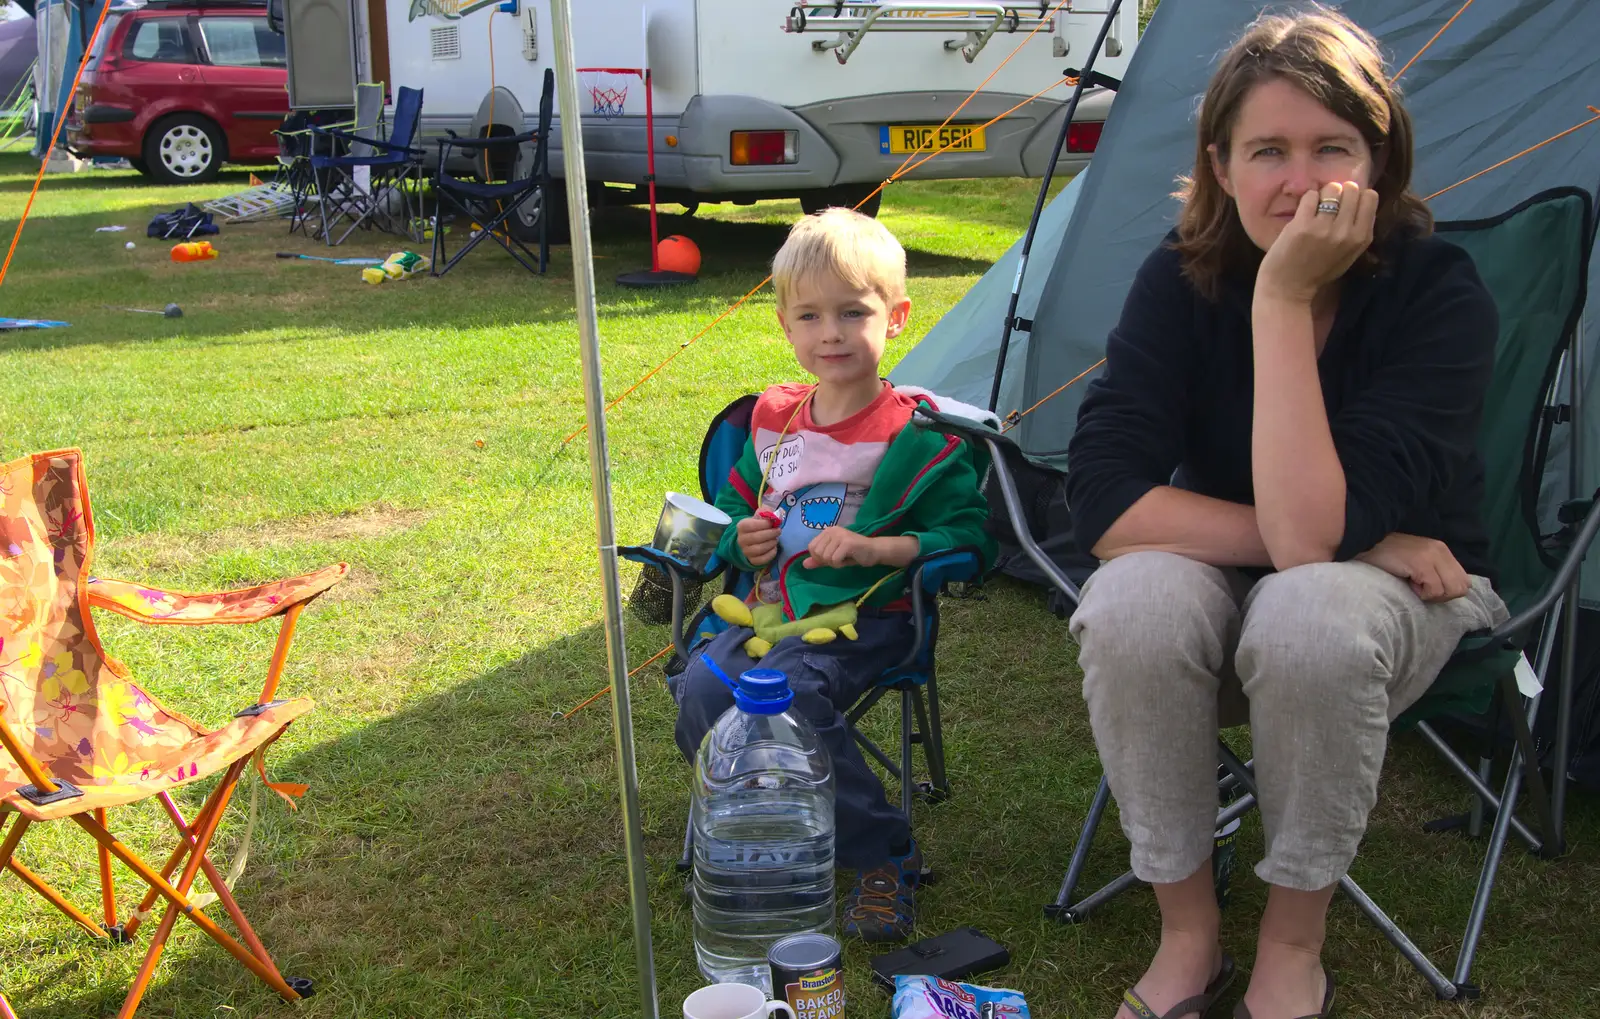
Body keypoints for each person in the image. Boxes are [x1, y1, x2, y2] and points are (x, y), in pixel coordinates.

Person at [1062, 9, 1510, 1019]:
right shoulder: (1175, 281)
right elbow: (1104, 501)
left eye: (1331, 149)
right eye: (1268, 150)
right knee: (1133, 593)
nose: (1300, 180)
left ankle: (1291, 941)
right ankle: (1187, 931)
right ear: (1219, 166)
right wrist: (1371, 537)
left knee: (1309, 608)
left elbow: (1312, 549)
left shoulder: (1439, 293)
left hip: (1402, 609)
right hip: (1322, 568)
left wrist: (1279, 301)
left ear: (1378, 160)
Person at [671, 207, 995, 943]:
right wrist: (745, 539)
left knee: (788, 697)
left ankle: (884, 852)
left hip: (866, 619)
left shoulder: (917, 435)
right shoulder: (773, 418)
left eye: (853, 312)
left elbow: (971, 540)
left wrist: (880, 550)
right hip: (763, 610)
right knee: (699, 688)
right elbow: (734, 509)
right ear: (786, 325)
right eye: (811, 316)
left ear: (898, 316)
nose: (832, 334)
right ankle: (769, 824)